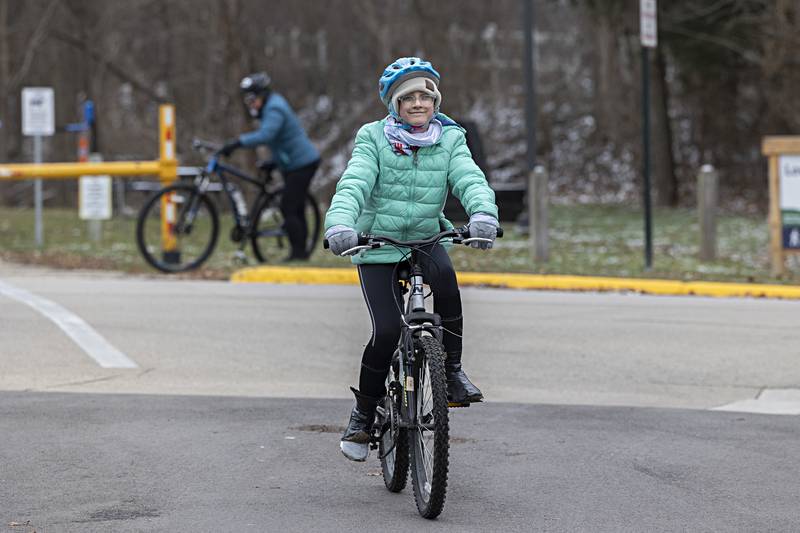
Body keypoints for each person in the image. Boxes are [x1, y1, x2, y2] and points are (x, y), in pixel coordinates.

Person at [324, 57, 499, 462]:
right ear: (394, 104)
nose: (418, 103)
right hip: (377, 244)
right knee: (386, 330)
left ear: (436, 101)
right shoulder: (373, 137)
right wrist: (340, 225)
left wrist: (482, 214)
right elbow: (354, 182)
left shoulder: (450, 137)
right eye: (409, 98)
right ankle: (363, 415)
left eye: (426, 96)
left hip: (425, 237)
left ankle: (451, 371)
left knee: (449, 289)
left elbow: (468, 177)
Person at [219, 72, 321, 261]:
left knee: (289, 207)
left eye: (253, 99)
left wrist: (237, 143)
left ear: (263, 95)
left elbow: (267, 135)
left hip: (303, 163)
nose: (251, 104)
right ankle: (301, 252)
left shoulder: (274, 108)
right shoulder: (270, 106)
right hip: (290, 161)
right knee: (295, 207)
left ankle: (298, 254)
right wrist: (273, 161)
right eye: (247, 100)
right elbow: (281, 139)